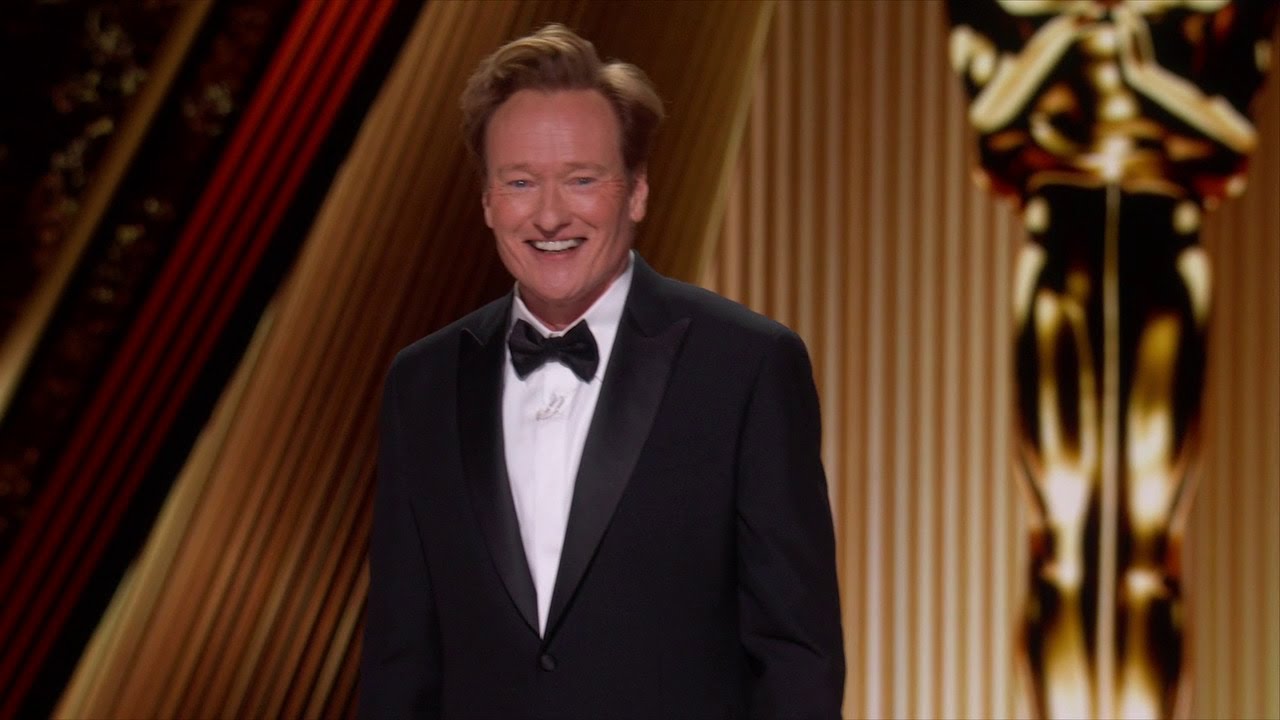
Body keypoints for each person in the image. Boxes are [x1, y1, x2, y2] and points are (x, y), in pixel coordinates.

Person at [360, 23, 844, 719]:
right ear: (488, 201)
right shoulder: (422, 384)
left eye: (581, 179)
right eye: (520, 182)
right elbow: (398, 661)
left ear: (637, 191)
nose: (550, 214)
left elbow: (797, 657)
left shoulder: (748, 367)